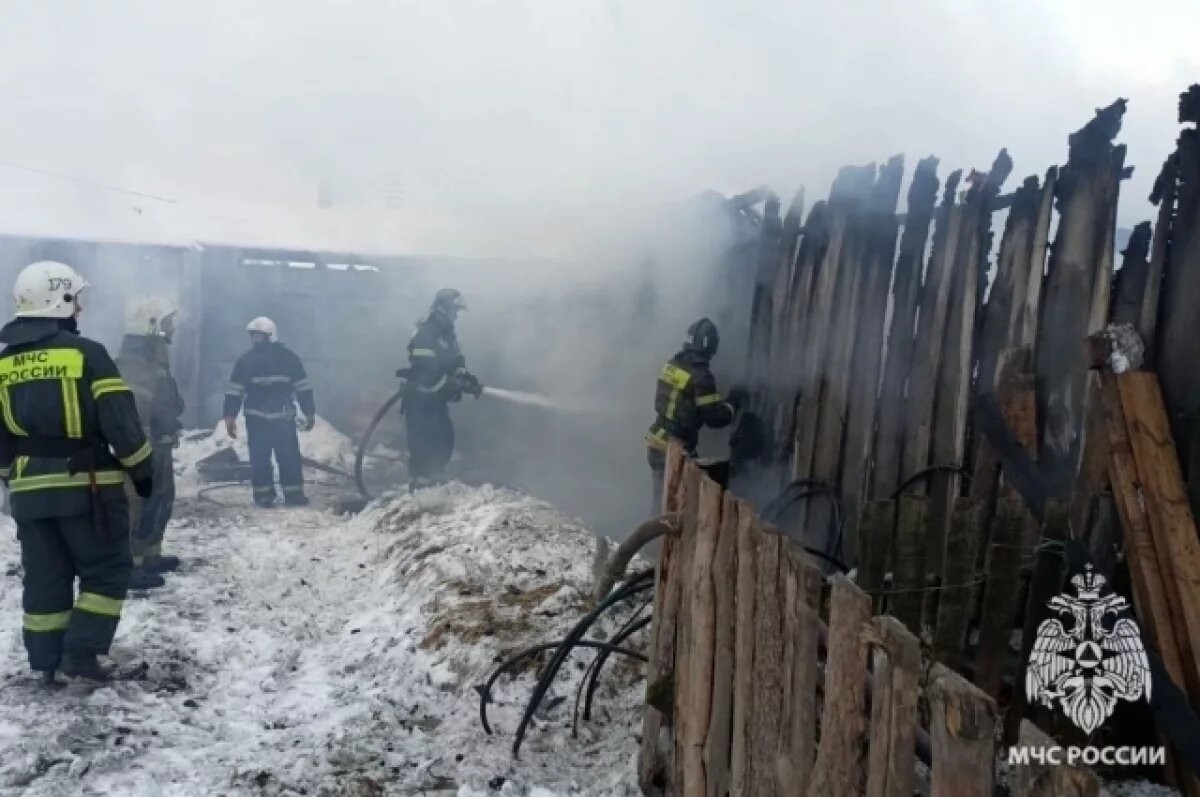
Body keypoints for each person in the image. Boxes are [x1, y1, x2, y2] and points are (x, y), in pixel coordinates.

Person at [0, 261, 154, 684]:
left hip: (29, 492)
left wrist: (10, 476)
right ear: (60, 300)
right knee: (107, 569)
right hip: (87, 487)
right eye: (75, 301)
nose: (80, 310)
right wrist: (141, 471)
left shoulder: (3, 364)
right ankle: (82, 655)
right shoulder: (88, 355)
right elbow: (120, 421)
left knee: (46, 577)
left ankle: (46, 660)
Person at [116, 296, 185, 588]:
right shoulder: (132, 363)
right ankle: (128, 566)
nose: (172, 329)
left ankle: (150, 555)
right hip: (140, 445)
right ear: (152, 326)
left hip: (159, 443)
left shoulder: (155, 360)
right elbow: (135, 406)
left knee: (161, 498)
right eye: (167, 323)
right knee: (136, 503)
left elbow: (168, 400)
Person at [645, 318, 745, 512]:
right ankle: (665, 539)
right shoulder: (702, 376)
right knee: (681, 506)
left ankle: (654, 538)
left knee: (661, 501)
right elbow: (715, 418)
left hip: (656, 442)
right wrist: (733, 402)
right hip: (676, 448)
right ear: (711, 346)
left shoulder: (673, 363)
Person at [223, 317, 316, 507]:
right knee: (259, 460)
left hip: (283, 419)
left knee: (289, 457)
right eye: (253, 336)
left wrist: (309, 411)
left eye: (259, 336)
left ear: (271, 336)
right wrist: (229, 415)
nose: (255, 340)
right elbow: (234, 391)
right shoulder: (246, 361)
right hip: (257, 420)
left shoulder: (289, 358)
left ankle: (293, 495)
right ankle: (263, 496)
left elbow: (303, 388)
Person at [403, 289, 482, 489]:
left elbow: (456, 359)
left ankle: (434, 485)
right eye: (454, 311)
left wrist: (464, 375)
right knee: (424, 447)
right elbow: (422, 363)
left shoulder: (448, 335)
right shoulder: (426, 332)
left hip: (436, 401)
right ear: (442, 309)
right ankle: (420, 490)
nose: (456, 316)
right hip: (421, 400)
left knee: (444, 440)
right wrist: (448, 380)